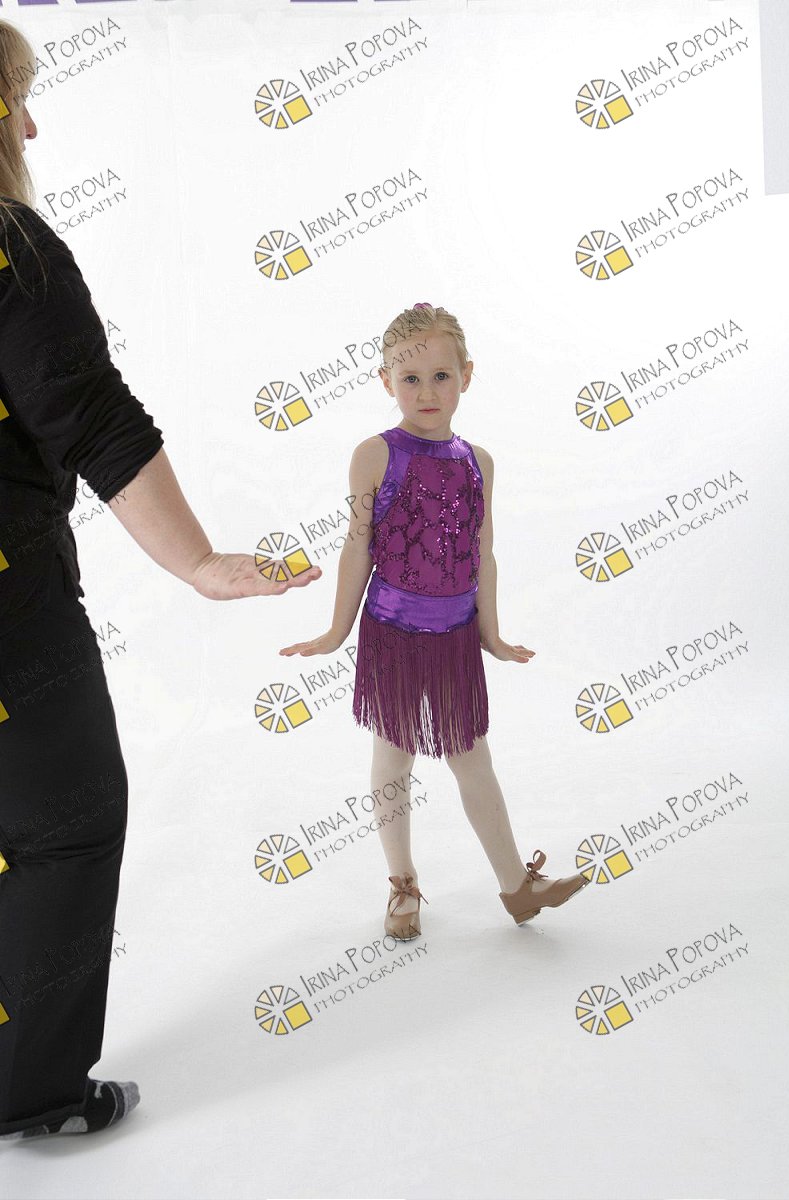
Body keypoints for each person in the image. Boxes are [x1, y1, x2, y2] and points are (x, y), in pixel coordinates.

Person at [0, 21, 321, 1141]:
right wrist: (196, 562)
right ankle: (33, 1093)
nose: (31, 124)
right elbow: (90, 415)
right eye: (15, 98)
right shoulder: (11, 249)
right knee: (67, 825)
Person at [279, 301, 590, 941]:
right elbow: (358, 547)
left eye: (441, 376)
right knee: (394, 759)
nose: (426, 392)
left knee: (472, 758)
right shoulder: (375, 454)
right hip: (392, 633)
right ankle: (402, 884)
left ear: (467, 376)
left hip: (454, 636)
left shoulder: (479, 461)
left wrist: (492, 635)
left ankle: (517, 887)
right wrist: (336, 633)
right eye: (410, 378)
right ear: (386, 381)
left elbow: (482, 551)